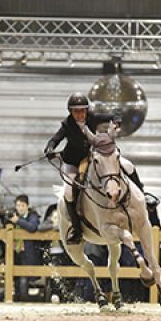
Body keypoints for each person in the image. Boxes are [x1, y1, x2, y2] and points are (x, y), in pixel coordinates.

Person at [44, 92, 143, 244]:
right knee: (69, 192)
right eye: (76, 111)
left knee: (128, 165)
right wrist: (50, 148)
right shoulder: (67, 124)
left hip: (93, 158)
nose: (80, 114)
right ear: (71, 111)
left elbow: (114, 114)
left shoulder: (93, 116)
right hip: (73, 162)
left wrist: (117, 119)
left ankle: (144, 197)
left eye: (83, 110)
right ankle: (77, 229)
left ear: (87, 110)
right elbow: (55, 139)